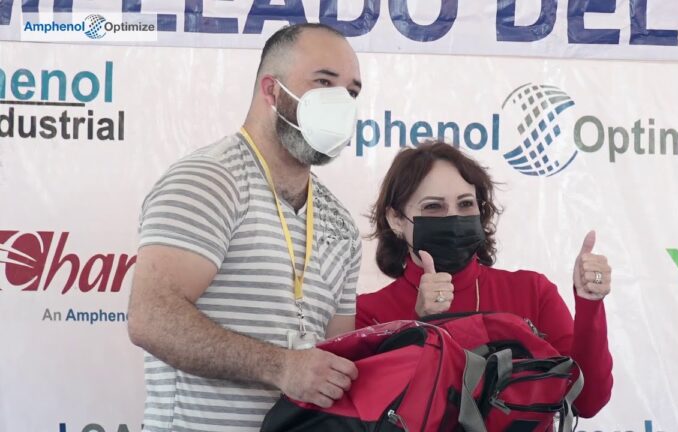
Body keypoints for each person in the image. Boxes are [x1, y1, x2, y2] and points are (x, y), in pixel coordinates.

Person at [127, 23, 364, 432]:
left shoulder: (341, 222)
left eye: (351, 92)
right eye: (324, 82)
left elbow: (334, 354)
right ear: (271, 90)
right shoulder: (210, 180)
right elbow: (151, 318)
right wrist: (281, 366)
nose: (340, 102)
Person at [356, 141, 614, 418]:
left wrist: (590, 305)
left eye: (466, 204)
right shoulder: (368, 316)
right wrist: (421, 325)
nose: (453, 218)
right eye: (433, 207)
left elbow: (586, 401)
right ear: (395, 219)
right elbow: (377, 417)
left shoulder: (532, 292)